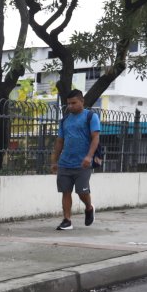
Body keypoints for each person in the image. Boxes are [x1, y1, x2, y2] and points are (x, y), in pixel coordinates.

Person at [50, 89, 100, 231]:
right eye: (68, 104)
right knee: (65, 192)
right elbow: (60, 141)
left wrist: (89, 156)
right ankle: (67, 220)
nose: (70, 106)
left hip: (83, 163)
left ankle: (89, 207)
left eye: (73, 103)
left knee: (81, 192)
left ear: (82, 101)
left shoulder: (91, 117)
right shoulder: (65, 120)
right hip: (65, 163)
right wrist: (54, 161)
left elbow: (95, 138)